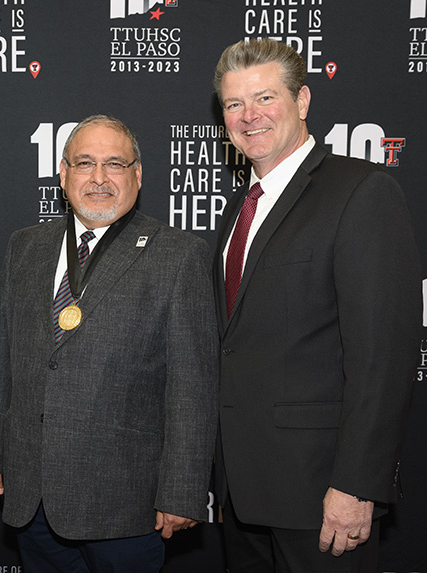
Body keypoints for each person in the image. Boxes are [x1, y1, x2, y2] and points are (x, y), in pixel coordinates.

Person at [0, 115, 218, 572]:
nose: (99, 178)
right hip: (32, 493)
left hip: (127, 501)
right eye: (84, 163)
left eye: (115, 164)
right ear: (63, 175)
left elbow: (192, 388)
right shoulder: (25, 246)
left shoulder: (179, 255)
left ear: (137, 175)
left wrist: (182, 490)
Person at [212, 38, 422, 572]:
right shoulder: (239, 208)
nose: (249, 116)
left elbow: (382, 359)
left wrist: (356, 484)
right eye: (234, 104)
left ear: (302, 101)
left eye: (265, 98)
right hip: (242, 493)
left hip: (321, 494)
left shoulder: (361, 192)